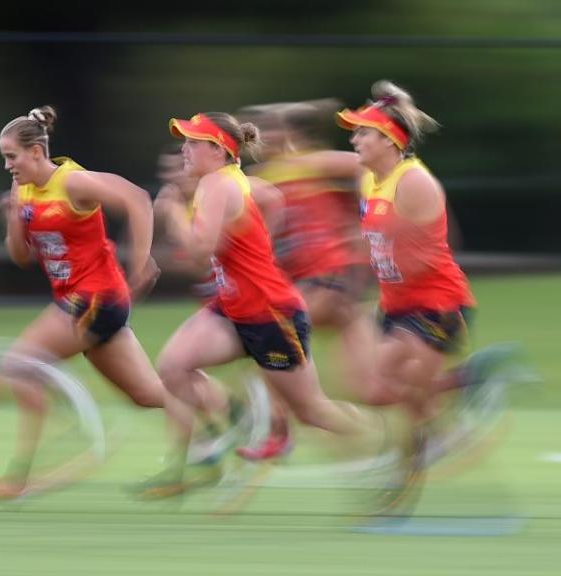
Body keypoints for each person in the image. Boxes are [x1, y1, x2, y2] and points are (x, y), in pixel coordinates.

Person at [0, 105, 194, 500]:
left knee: (20, 365)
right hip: (83, 302)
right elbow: (22, 257)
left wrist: (140, 264)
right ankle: (227, 410)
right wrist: (12, 219)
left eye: (11, 156)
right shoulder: (23, 190)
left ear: (36, 152)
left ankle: (17, 477)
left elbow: (138, 200)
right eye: (4, 158)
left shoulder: (73, 183)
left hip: (95, 299)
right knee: (146, 395)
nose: (7, 166)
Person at [152, 111, 372, 495]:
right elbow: (271, 198)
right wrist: (259, 243)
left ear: (218, 150)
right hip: (232, 308)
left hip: (271, 315)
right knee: (173, 366)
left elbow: (202, 250)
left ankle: (376, 440)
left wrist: (171, 213)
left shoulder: (217, 186)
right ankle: (218, 438)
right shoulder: (232, 182)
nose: (184, 150)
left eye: (192, 142)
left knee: (311, 411)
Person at [335, 81, 482, 510]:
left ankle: (402, 478)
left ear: (387, 140)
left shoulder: (413, 183)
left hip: (437, 304)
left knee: (414, 405)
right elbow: (375, 244)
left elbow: (419, 257)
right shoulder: (368, 178)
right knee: (378, 393)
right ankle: (469, 381)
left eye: (363, 132)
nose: (354, 138)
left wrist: (368, 248)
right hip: (397, 306)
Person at [233, 100, 375, 460]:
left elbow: (372, 167)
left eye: (276, 129)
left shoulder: (312, 163)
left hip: (329, 275)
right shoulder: (262, 177)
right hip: (313, 284)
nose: (270, 137)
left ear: (292, 134)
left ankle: (281, 432)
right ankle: (442, 401)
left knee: (273, 338)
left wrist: (364, 218)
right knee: (372, 388)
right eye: (264, 131)